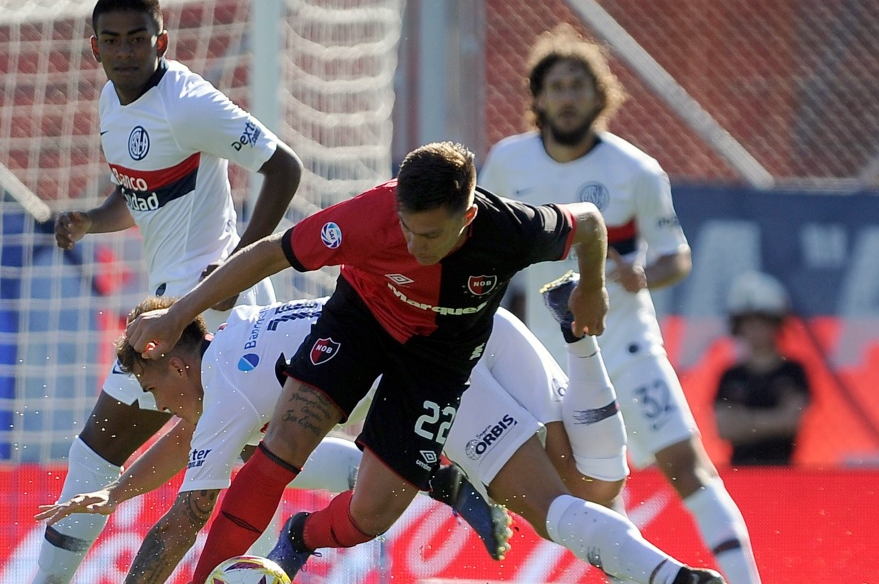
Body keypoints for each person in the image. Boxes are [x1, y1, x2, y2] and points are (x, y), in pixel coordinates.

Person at [124, 141, 721, 584]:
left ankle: (302, 535)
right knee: (283, 444)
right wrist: (179, 315)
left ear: (467, 216)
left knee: (374, 515)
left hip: (439, 359)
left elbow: (590, 224)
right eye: (406, 228)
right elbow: (270, 256)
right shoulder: (368, 217)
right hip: (358, 324)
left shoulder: (512, 229)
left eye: (429, 236)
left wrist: (591, 286)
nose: (411, 244)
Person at [42, 285, 722, 584]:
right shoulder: (229, 353)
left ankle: (668, 576)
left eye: (153, 388)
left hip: (438, 376)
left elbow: (187, 521)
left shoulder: (222, 388)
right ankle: (578, 340)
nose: (158, 404)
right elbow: (187, 442)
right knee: (591, 488)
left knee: (562, 508)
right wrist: (117, 491)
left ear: (174, 358)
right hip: (485, 334)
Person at [33, 0, 304, 583]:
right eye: (113, 41)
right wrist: (93, 221)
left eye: (137, 39)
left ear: (161, 41)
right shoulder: (113, 100)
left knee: (96, 453)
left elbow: (284, 167)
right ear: (94, 49)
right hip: (203, 301)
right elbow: (146, 190)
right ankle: (421, 475)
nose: (126, 51)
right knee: (256, 438)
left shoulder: (187, 103)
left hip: (195, 309)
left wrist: (238, 262)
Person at [478, 24, 762, 584]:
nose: (567, 97)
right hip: (556, 361)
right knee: (600, 493)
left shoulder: (634, 170)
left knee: (688, 468)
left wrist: (642, 275)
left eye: (579, 85)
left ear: (601, 96)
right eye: (556, 86)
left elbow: (675, 255)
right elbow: (483, 244)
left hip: (630, 350)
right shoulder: (508, 163)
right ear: (537, 97)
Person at [714, 271, 811, 465]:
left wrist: (744, 422)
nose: (755, 330)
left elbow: (790, 422)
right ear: (738, 327)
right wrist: (772, 420)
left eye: (762, 321)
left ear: (776, 325)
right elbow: (724, 428)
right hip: (739, 474)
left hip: (783, 473)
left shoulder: (793, 372)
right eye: (748, 322)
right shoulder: (731, 376)